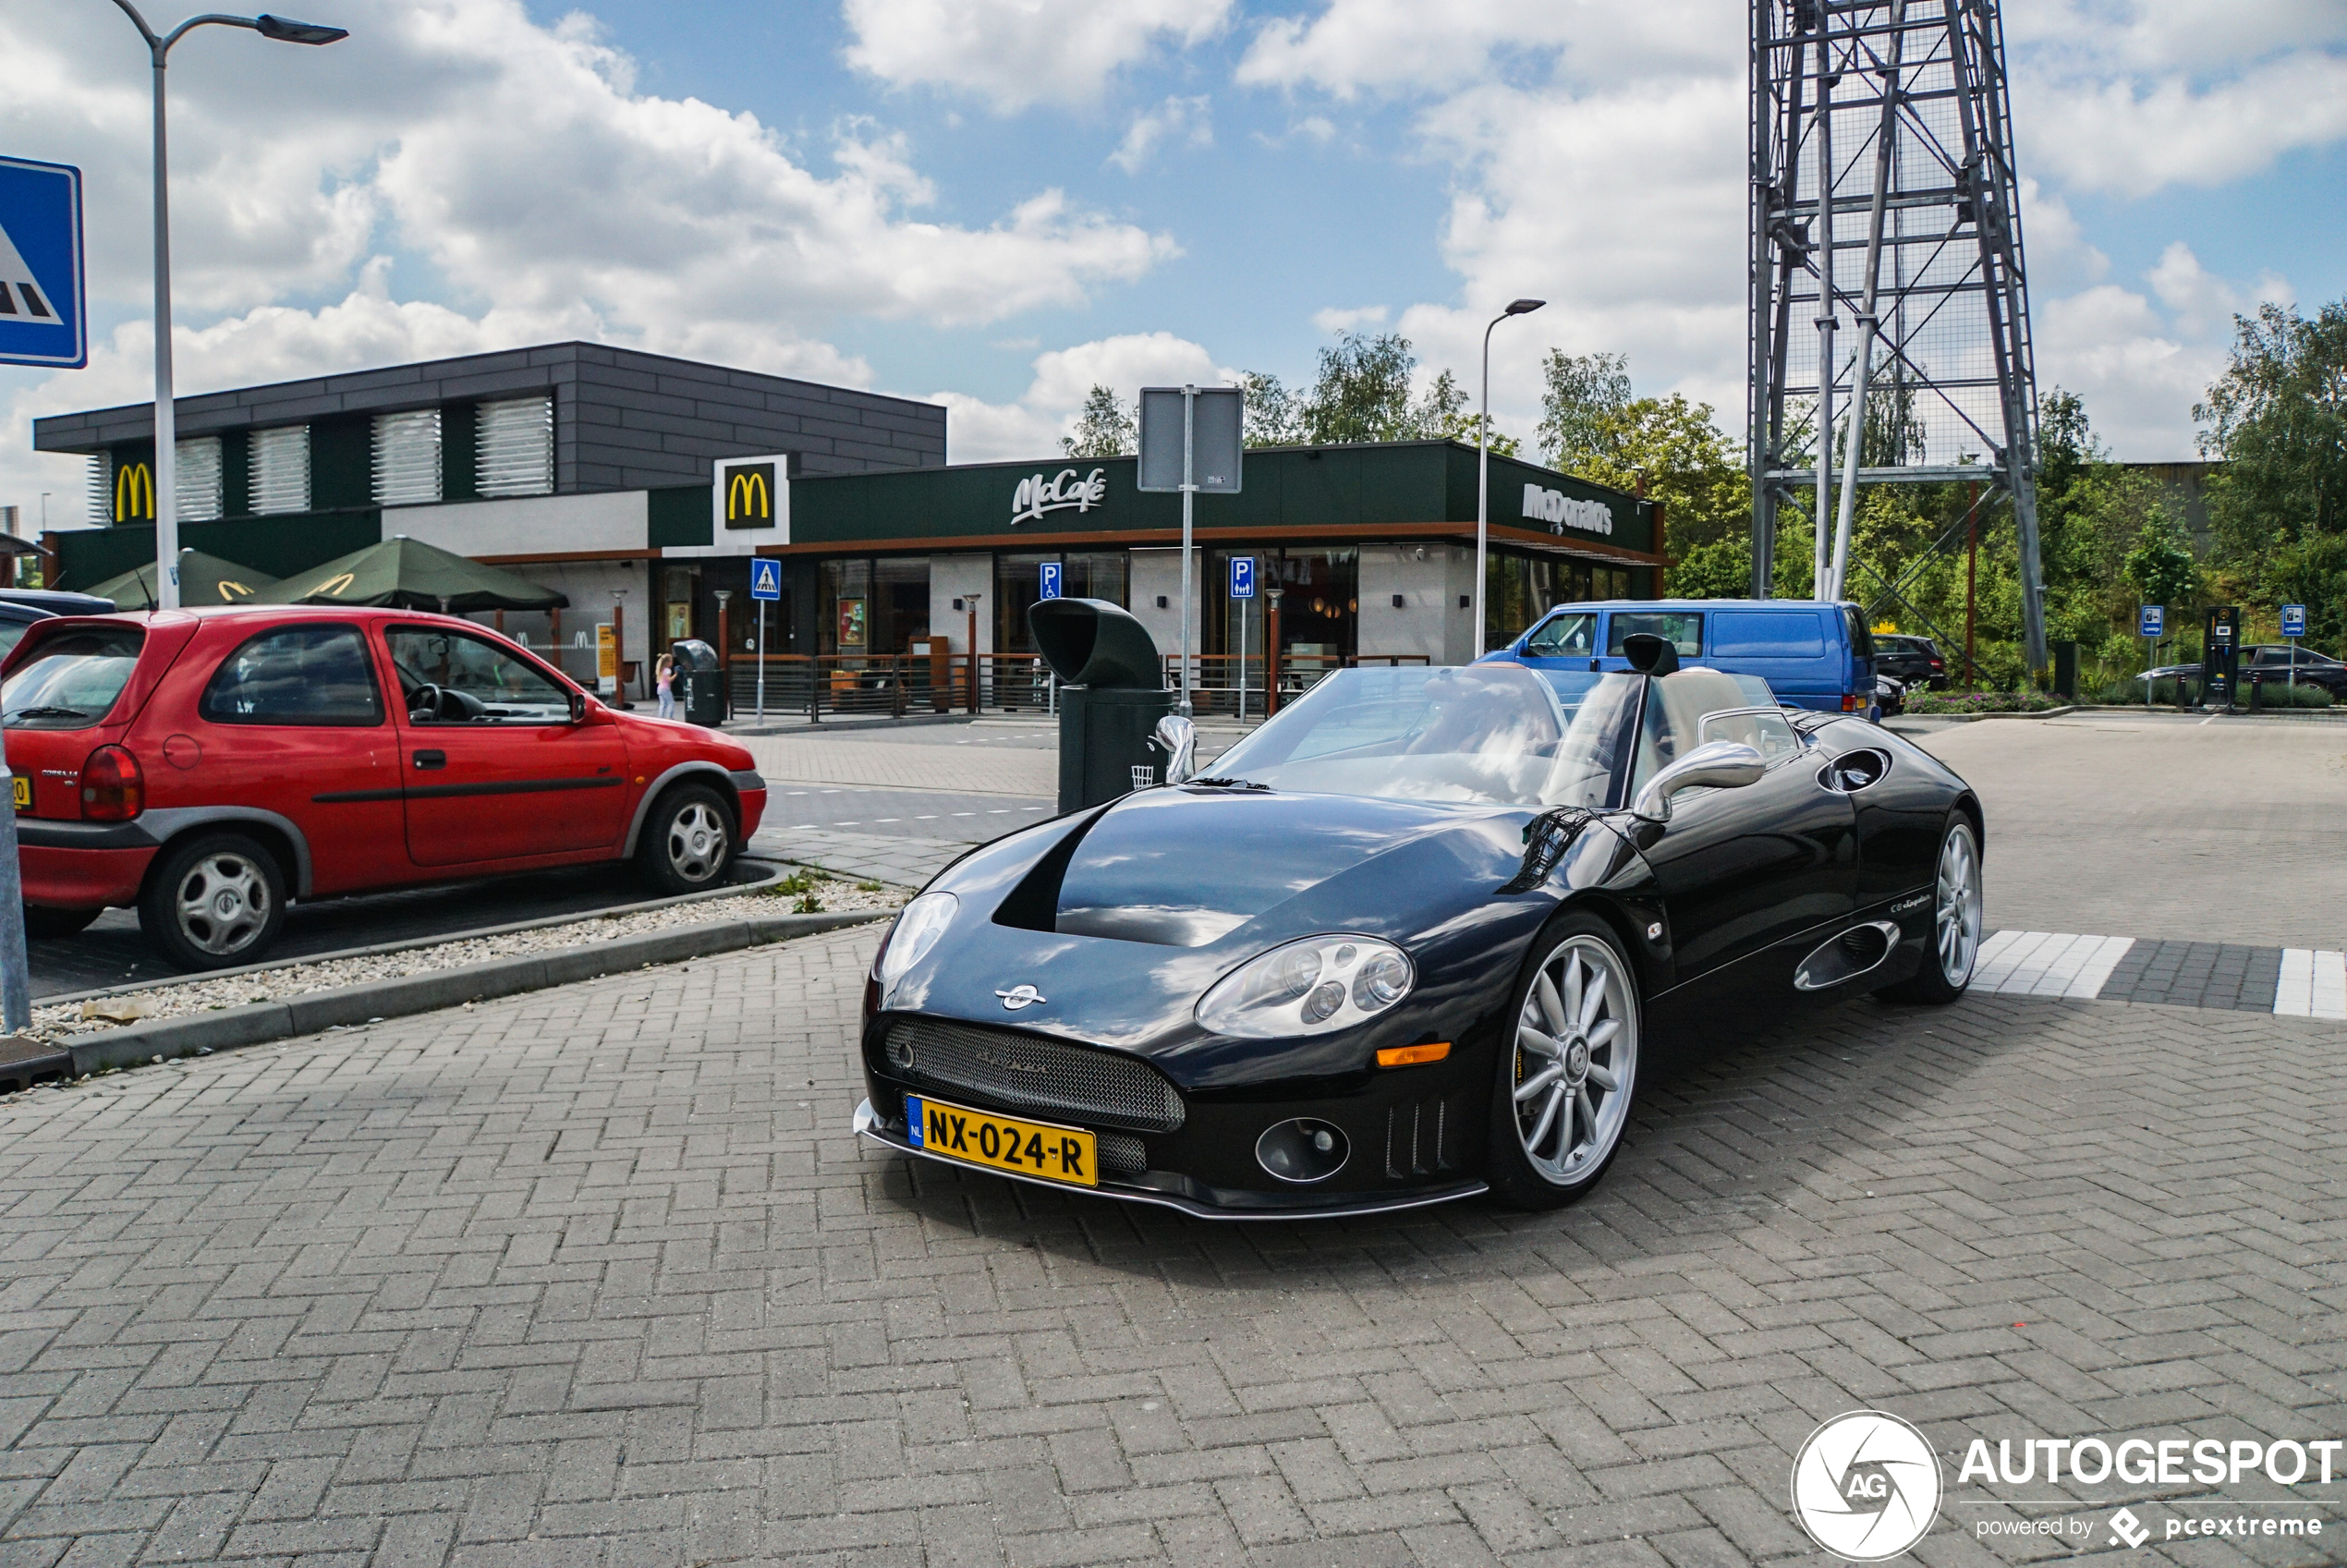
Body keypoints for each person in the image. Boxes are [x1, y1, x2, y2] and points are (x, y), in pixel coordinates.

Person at [655, 651, 677, 719]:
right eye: (671, 661)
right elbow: (669, 679)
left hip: (659, 689)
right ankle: (670, 717)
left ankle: (661, 717)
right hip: (665, 689)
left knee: (663, 704)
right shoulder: (668, 670)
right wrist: (676, 674)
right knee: (671, 703)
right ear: (667, 662)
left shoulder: (661, 670)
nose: (672, 663)